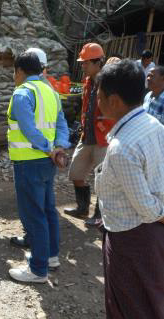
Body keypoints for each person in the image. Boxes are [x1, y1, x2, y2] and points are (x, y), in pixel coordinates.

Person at [95, 59, 164, 318]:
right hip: (148, 235)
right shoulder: (154, 125)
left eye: (100, 97)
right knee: (149, 301)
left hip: (133, 238)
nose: (98, 103)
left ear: (114, 101)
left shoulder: (122, 147)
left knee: (131, 305)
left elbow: (147, 209)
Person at [7, 52, 71, 283]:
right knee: (48, 210)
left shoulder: (23, 92)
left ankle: (37, 270)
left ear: (20, 71)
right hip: (47, 163)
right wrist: (59, 147)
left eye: (14, 72)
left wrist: (47, 148)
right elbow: (62, 124)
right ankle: (50, 257)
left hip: (29, 162)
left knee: (34, 215)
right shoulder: (51, 92)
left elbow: (27, 128)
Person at [64, 43, 114, 227]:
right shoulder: (87, 82)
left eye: (85, 63)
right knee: (76, 172)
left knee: (102, 179)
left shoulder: (109, 82)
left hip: (104, 138)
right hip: (87, 136)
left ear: (97, 63)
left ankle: (99, 215)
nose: (82, 66)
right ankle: (82, 208)